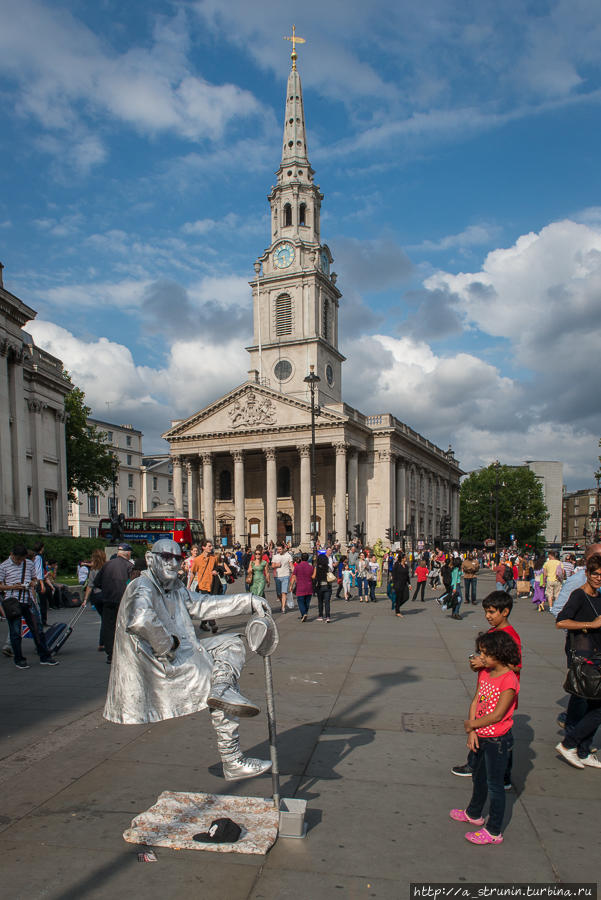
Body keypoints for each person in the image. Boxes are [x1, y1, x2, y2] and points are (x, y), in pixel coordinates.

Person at [103, 539, 274, 781]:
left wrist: (247, 601)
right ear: (151, 559)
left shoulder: (174, 586)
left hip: (179, 653)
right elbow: (140, 619)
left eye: (177, 558)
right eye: (166, 557)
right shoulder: (143, 586)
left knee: (232, 642)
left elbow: (201, 605)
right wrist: (168, 644)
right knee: (217, 691)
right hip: (161, 663)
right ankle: (232, 758)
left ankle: (222, 687)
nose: (173, 563)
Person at [450, 630, 520, 845]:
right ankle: (474, 812)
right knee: (478, 777)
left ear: (499, 654)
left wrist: (473, 724)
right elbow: (476, 700)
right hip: (481, 735)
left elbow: (498, 714)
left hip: (497, 740)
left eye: (484, 653)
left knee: (495, 785)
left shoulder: (509, 680)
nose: (480, 657)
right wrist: (472, 731)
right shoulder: (485, 672)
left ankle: (493, 830)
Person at [452, 590, 522, 784]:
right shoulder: (493, 633)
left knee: (501, 734)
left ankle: (501, 774)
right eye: (486, 612)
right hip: (486, 687)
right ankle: (477, 764)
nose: (487, 616)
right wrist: (478, 662)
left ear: (505, 611)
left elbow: (516, 665)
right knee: (485, 729)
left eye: (491, 612)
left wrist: (486, 663)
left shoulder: (511, 636)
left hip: (502, 691)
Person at [554, 552, 601, 769]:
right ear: (587, 574)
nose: (598, 578)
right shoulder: (578, 596)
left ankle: (582, 750)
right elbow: (561, 622)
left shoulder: (598, 597)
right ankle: (570, 743)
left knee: (593, 703)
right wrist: (590, 625)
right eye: (595, 574)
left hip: (596, 654)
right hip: (583, 655)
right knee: (588, 701)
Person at [0, 544, 58, 668]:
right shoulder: (3, 566)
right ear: (12, 555)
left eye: (22, 559)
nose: (20, 561)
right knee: (15, 632)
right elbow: (0, 586)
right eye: (18, 559)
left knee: (38, 629)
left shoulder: (28, 564)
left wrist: (32, 583)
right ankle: (19, 659)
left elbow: (35, 579)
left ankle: (45, 656)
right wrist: (13, 587)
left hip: (28, 599)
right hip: (12, 601)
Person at [94, 543, 133, 663]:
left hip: (108, 600)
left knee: (108, 627)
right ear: (128, 553)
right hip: (123, 601)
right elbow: (133, 584)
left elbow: (97, 582)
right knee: (122, 627)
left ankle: (110, 654)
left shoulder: (107, 565)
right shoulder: (129, 566)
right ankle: (122, 652)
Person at [188, 539, 220, 633]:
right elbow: (193, 573)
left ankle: (203, 624)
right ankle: (212, 624)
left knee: (209, 606)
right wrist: (189, 586)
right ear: (203, 547)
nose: (211, 547)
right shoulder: (197, 560)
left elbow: (216, 569)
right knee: (208, 605)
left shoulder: (213, 558)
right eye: (209, 546)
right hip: (203, 586)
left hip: (212, 585)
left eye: (211, 546)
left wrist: (215, 572)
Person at [84, 548, 107, 651]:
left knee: (103, 618)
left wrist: (85, 599)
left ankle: (102, 642)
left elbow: (90, 585)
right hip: (105, 595)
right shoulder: (106, 568)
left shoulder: (93, 570)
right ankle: (103, 642)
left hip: (96, 596)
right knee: (106, 619)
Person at [290, 552, 314, 621]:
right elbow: (313, 576)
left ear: (301, 558)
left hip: (300, 587)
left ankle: (304, 614)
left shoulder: (297, 566)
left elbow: (294, 577)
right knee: (307, 602)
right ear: (307, 558)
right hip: (309, 587)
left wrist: (291, 585)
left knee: (300, 601)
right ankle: (304, 613)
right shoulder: (310, 567)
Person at [271, 542, 293, 613]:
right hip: (277, 576)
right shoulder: (275, 556)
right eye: (278, 549)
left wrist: (295, 573)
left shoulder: (288, 556)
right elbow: (272, 566)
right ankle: (282, 603)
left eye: (280, 549)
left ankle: (283, 608)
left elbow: (291, 566)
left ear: (283, 549)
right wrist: (277, 565)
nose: (278, 550)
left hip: (286, 575)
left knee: (284, 592)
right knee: (279, 593)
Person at [313, 552, 332, 622]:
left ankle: (320, 615)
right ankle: (328, 617)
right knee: (327, 602)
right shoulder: (328, 567)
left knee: (320, 602)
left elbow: (313, 576)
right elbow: (331, 575)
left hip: (319, 586)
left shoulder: (316, 568)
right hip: (327, 586)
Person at [392, 552, 410, 617]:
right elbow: (393, 574)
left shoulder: (406, 566)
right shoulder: (397, 565)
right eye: (405, 557)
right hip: (398, 583)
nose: (406, 558)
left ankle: (397, 606)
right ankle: (397, 611)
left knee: (406, 597)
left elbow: (407, 575)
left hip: (404, 583)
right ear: (402, 558)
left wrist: (409, 584)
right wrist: (394, 584)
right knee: (399, 597)